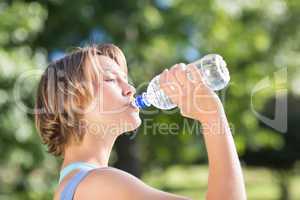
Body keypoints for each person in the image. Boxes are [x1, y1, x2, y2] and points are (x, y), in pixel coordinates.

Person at [34, 43, 246, 200]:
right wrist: (212, 116)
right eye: (109, 79)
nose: (130, 89)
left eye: (126, 80)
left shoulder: (78, 185)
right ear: (73, 102)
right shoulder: (96, 184)